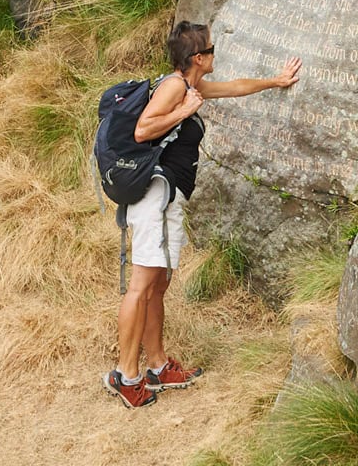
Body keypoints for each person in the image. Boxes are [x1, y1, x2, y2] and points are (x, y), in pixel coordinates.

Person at [103, 21, 302, 408]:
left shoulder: (190, 86)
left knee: (157, 285)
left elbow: (234, 87)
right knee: (142, 286)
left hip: (166, 198)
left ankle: (158, 366)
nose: (215, 53)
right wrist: (186, 111)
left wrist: (275, 82)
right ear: (198, 58)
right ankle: (127, 376)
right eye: (211, 49)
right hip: (155, 196)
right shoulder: (176, 87)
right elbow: (144, 130)